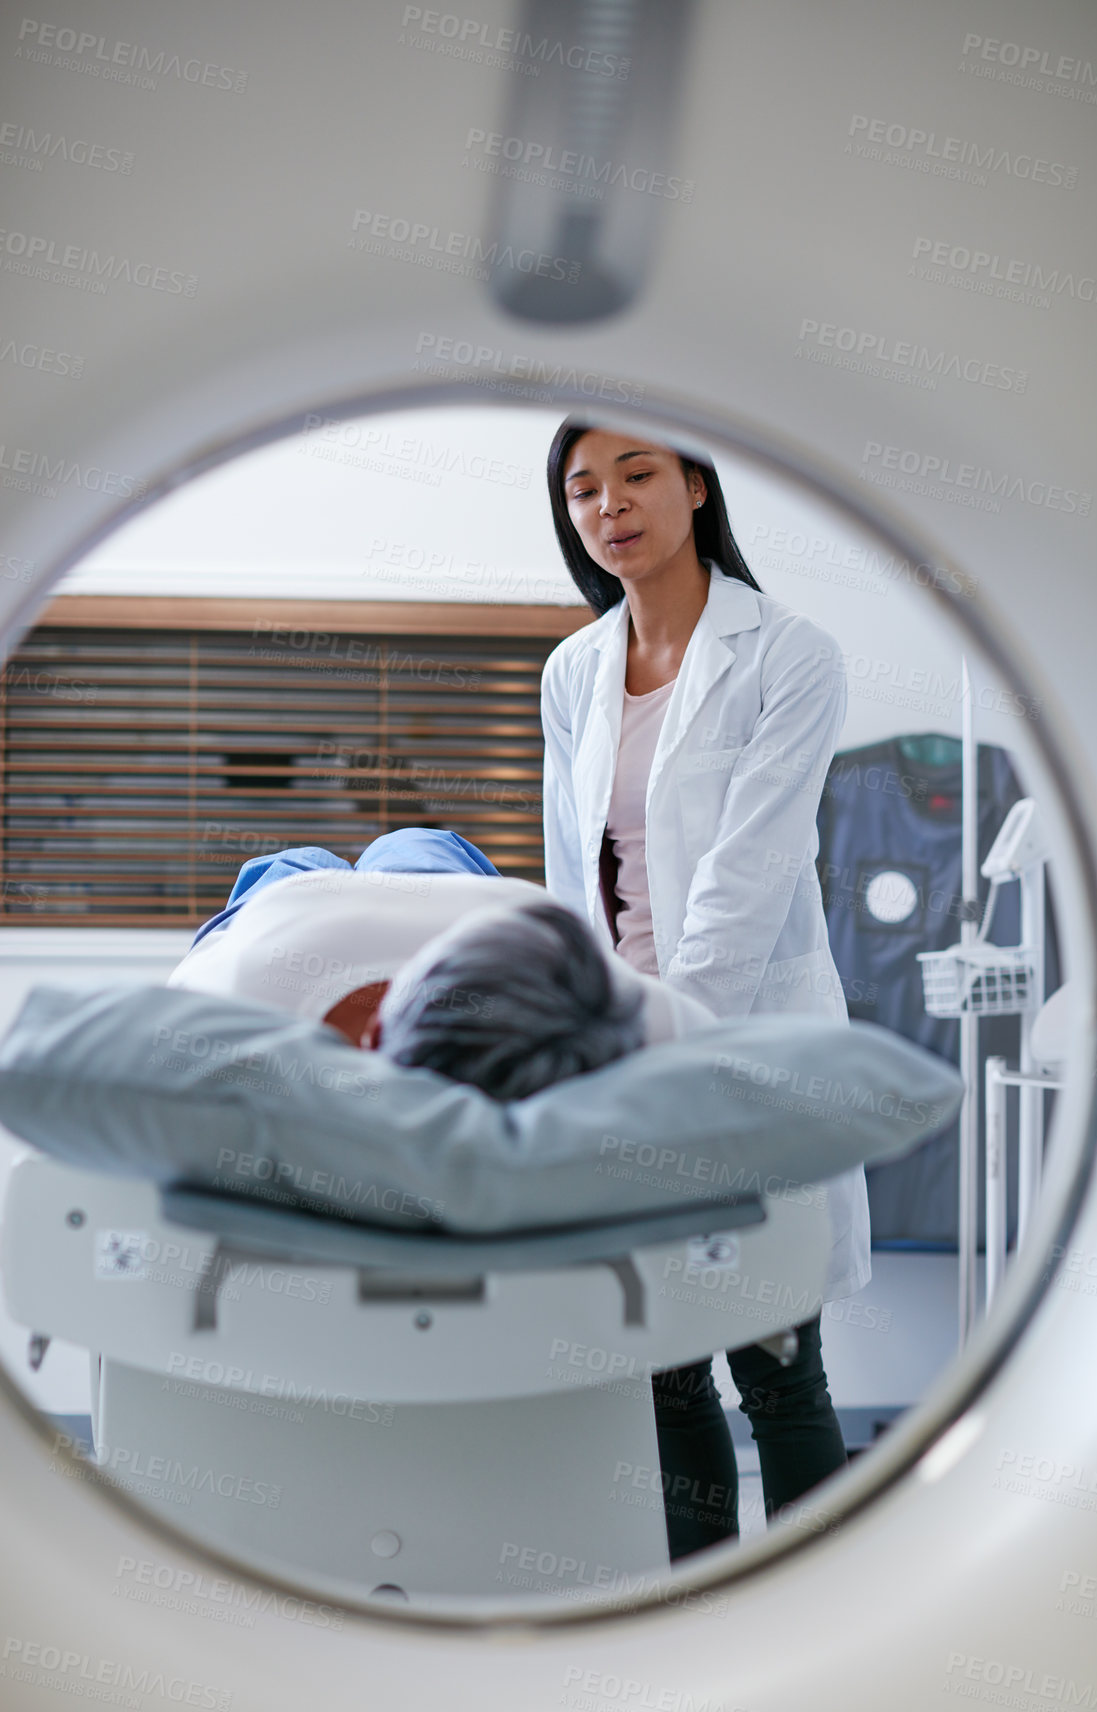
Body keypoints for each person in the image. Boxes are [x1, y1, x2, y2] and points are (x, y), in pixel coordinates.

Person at [539, 420, 871, 1559]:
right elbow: (564, 873)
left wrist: (666, 1037)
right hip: (619, 1064)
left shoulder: (788, 653)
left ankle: (816, 1611)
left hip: (742, 1058)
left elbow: (748, 876)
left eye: (635, 474)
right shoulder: (573, 669)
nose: (608, 504)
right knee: (665, 1377)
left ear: (693, 482)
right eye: (582, 489)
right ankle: (692, 1612)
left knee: (776, 1370)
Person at [168, 825, 714, 1062]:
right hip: (448, 904)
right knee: (417, 845)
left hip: (290, 909)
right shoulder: (601, 992)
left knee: (288, 865)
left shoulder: (229, 1003)